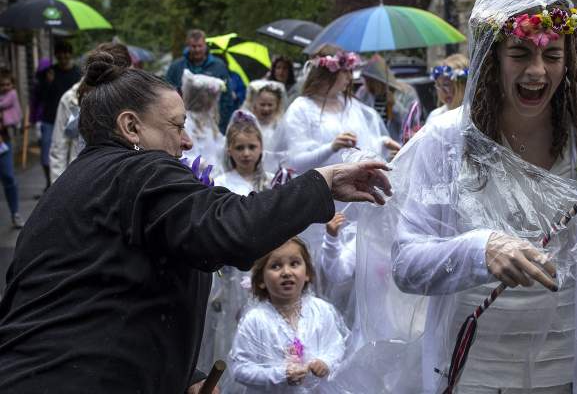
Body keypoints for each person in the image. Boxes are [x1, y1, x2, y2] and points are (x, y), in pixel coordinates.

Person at [0, 49, 391, 393]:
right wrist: (322, 183)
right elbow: (231, 229)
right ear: (131, 127)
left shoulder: (78, 182)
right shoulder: (141, 171)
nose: (187, 141)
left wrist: (186, 372)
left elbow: (112, 290)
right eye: (175, 125)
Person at [350, 0, 577, 394]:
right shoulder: (445, 143)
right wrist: (480, 249)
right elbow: (407, 265)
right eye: (520, 53)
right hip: (477, 370)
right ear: (490, 56)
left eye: (552, 56)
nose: (538, 71)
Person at [280, 46, 400, 324]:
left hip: (356, 204)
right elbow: (296, 160)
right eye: (345, 72)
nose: (350, 78)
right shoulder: (302, 108)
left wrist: (382, 144)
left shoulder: (353, 106)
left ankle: (356, 332)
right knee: (323, 272)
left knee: (356, 272)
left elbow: (366, 141)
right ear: (326, 73)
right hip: (321, 204)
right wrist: (330, 146)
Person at [199, 110, 275, 394]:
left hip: (264, 265)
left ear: (261, 148)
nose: (246, 153)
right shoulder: (221, 182)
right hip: (233, 273)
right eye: (239, 148)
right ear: (229, 149)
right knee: (230, 329)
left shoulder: (269, 182)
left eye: (252, 147)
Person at [230, 237, 347, 393]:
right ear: (260, 280)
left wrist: (325, 363)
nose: (286, 272)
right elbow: (240, 369)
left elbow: (336, 346)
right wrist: (280, 375)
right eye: (275, 266)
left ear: (307, 274)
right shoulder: (255, 320)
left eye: (294, 264)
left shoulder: (321, 311)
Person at [49, 42, 133, 183]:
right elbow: (59, 148)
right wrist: (58, 188)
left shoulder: (131, 96)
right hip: (80, 179)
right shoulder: (71, 99)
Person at [34, 40, 81, 190]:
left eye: (66, 52)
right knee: (47, 155)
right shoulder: (49, 73)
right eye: (60, 53)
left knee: (71, 153)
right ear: (56, 55)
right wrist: (48, 82)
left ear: (70, 54)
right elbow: (40, 97)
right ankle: (50, 182)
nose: (63, 56)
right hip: (50, 119)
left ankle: (68, 183)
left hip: (71, 118)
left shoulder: (78, 73)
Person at [166, 29, 233, 133]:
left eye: (200, 46)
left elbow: (226, 97)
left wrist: (222, 123)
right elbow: (167, 93)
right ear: (188, 46)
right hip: (184, 123)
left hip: (212, 123)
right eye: (193, 46)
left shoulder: (219, 66)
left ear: (205, 45)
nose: (197, 49)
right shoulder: (177, 67)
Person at [356, 54, 421, 143]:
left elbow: (411, 123)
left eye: (371, 81)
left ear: (380, 80)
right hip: (372, 146)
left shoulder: (406, 91)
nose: (368, 85)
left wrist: (395, 106)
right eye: (366, 80)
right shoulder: (363, 93)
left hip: (397, 146)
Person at [182, 70, 226, 172]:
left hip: (215, 171)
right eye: (210, 97)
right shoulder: (187, 122)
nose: (213, 102)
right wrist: (201, 164)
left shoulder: (208, 119)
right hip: (201, 175)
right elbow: (187, 153)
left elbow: (218, 143)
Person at [244, 79, 288, 172]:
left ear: (277, 105)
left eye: (270, 105)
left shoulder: (280, 126)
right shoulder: (247, 124)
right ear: (254, 104)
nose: (266, 108)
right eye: (262, 105)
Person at [0, 69, 22, 227]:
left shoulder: (10, 96)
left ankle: (15, 212)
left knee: (8, 177)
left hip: (4, 140)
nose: (4, 87)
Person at [426, 53, 468, 124]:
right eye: (438, 85)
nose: (442, 91)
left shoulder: (472, 117)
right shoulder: (435, 116)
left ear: (463, 85)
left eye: (446, 84)